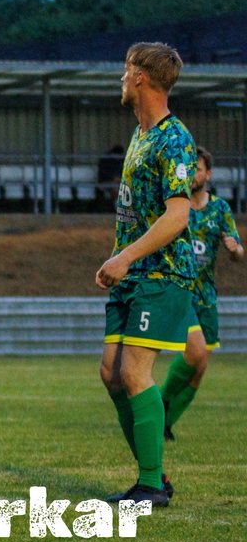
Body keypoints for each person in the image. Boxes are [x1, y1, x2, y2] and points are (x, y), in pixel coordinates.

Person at [96, 41, 198, 508]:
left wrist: (125, 258)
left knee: (135, 372)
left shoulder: (174, 138)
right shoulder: (140, 135)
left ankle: (151, 484)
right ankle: (154, 475)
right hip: (132, 275)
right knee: (111, 374)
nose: (121, 78)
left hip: (162, 274)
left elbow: (177, 217)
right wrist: (118, 260)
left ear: (140, 76)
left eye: (125, 70)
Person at [161, 146, 243, 441]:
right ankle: (160, 402)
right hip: (181, 291)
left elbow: (238, 250)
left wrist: (234, 249)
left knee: (200, 367)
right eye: (189, 169)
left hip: (206, 296)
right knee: (194, 353)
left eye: (196, 169)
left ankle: (165, 423)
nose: (192, 174)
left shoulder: (220, 209)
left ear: (208, 174)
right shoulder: (176, 207)